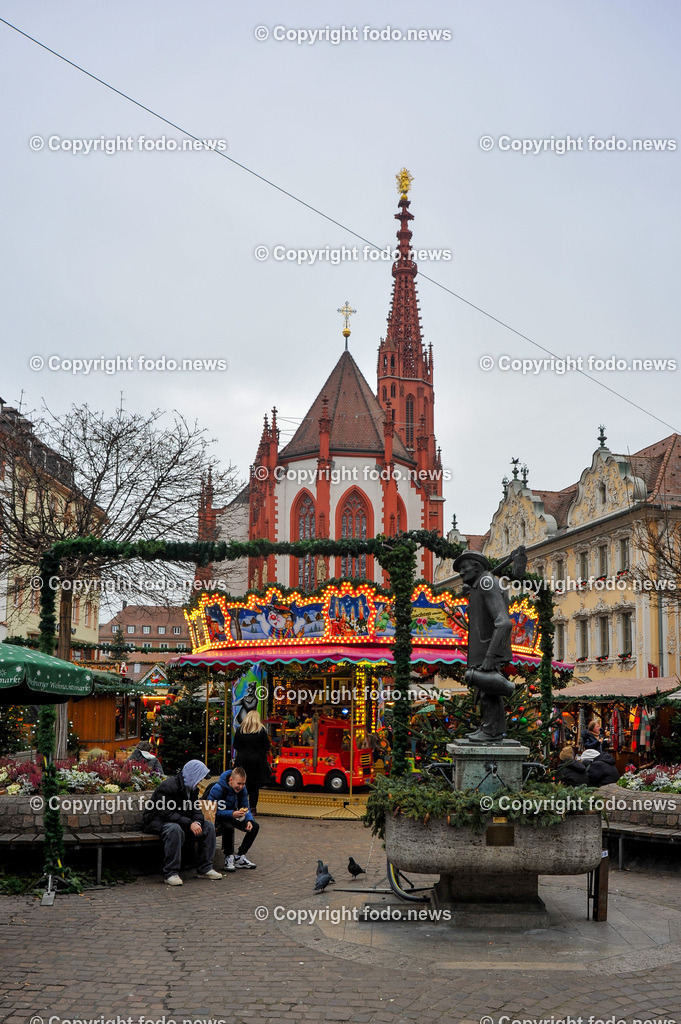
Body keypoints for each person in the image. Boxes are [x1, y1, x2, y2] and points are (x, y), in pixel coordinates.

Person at [451, 551, 514, 743]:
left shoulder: (487, 583)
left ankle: (491, 731)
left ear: (477, 567)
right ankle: (491, 727)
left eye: (464, 568)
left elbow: (504, 622)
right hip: (484, 649)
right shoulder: (481, 584)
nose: (461, 573)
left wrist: (491, 655)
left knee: (489, 690)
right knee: (486, 692)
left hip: (488, 650)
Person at [142, 758, 222, 885]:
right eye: (200, 777)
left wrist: (197, 822)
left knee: (208, 826)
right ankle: (171, 873)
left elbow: (196, 810)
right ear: (193, 775)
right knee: (174, 829)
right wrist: (189, 823)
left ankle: (205, 868)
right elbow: (166, 813)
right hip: (156, 821)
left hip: (178, 820)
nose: (201, 781)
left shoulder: (193, 789)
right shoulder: (167, 787)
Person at [207, 766, 260, 870]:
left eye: (243, 784)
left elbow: (245, 806)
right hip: (219, 818)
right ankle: (228, 856)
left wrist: (249, 820)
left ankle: (240, 856)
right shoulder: (218, 788)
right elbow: (211, 810)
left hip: (234, 814)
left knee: (255, 826)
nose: (240, 787)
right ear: (231, 780)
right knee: (228, 827)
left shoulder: (242, 789)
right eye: (238, 783)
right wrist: (231, 813)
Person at [232, 709, 271, 813]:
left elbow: (235, 745)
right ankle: (253, 808)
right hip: (257, 761)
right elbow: (267, 746)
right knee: (254, 786)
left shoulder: (241, 729)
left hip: (242, 760)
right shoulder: (261, 730)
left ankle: (241, 806)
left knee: (241, 784)